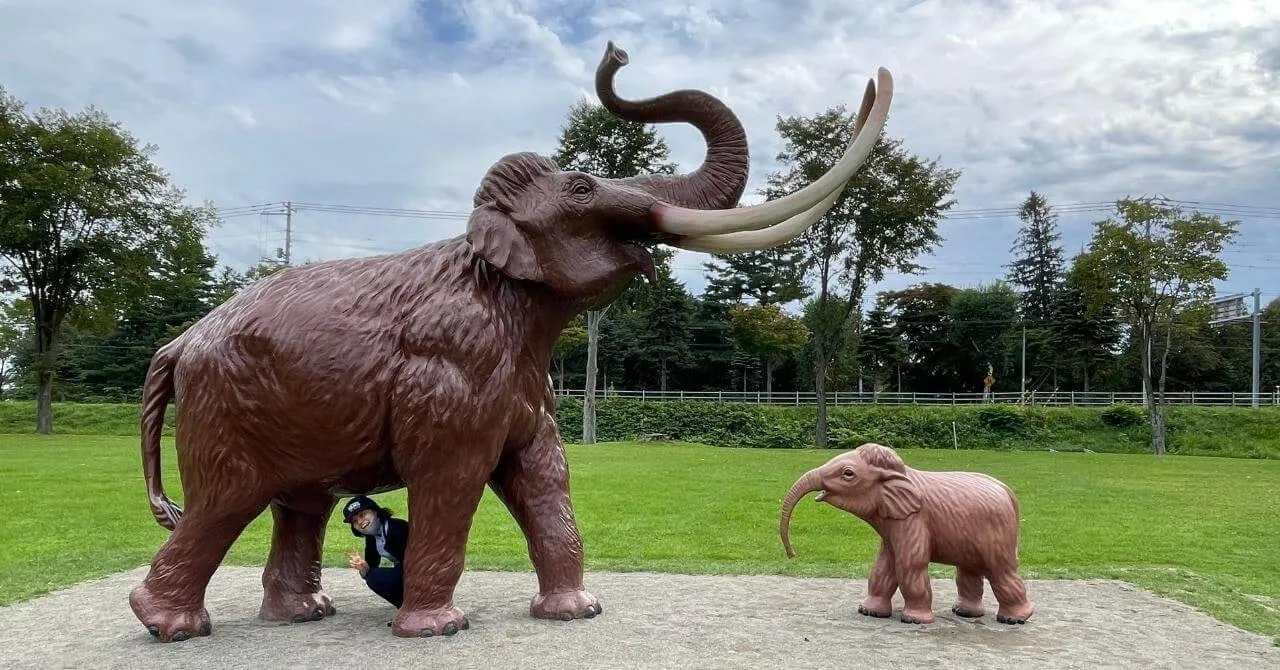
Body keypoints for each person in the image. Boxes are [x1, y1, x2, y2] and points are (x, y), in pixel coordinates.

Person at [342, 495, 409, 609]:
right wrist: (363, 568)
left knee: (375, 577)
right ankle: (405, 607)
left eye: (362, 515)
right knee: (373, 576)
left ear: (375, 511)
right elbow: (371, 566)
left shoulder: (398, 528)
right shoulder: (372, 537)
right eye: (354, 521)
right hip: (406, 571)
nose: (360, 521)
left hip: (421, 572)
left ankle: (411, 607)